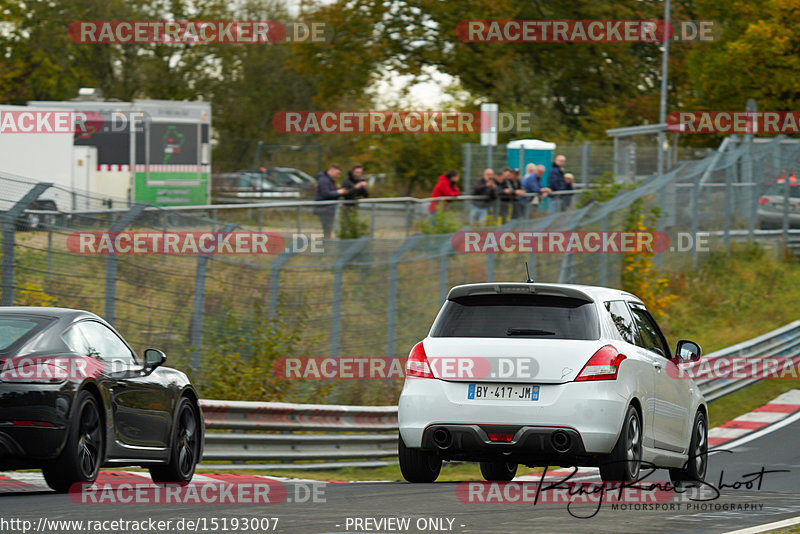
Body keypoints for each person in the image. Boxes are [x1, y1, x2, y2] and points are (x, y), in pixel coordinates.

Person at [314, 164, 348, 239]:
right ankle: (326, 242)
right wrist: (338, 192)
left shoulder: (329, 180)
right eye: (337, 173)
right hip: (324, 208)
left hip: (328, 208)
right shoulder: (324, 180)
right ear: (331, 170)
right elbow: (325, 193)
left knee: (328, 227)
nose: (338, 176)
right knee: (327, 227)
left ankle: (327, 240)